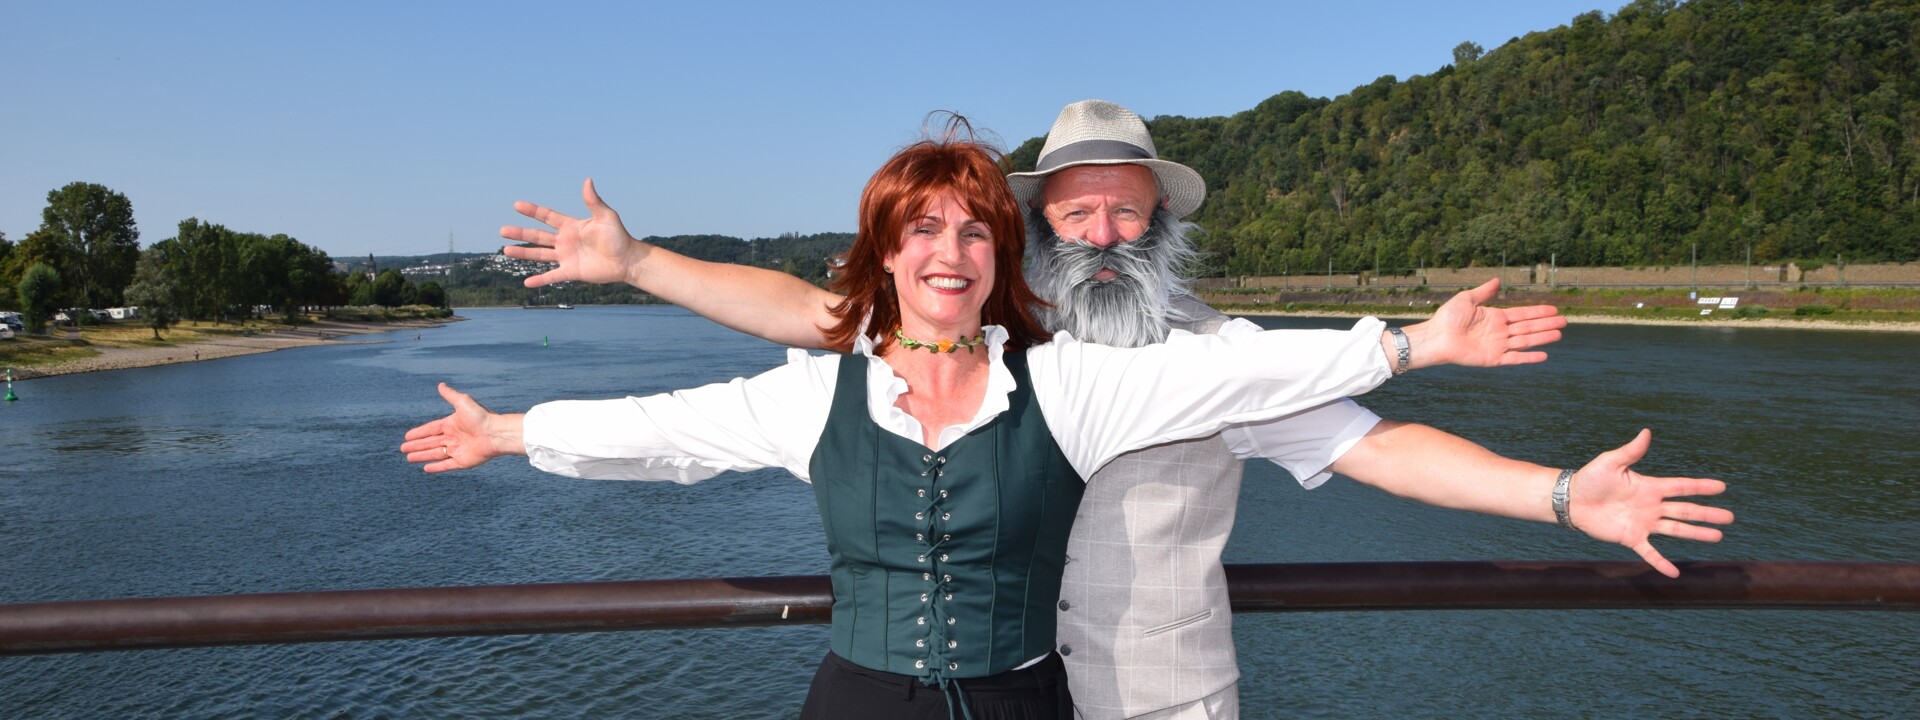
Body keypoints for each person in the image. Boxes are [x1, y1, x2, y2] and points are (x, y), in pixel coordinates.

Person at [493, 102, 1734, 719]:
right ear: (1031, 227)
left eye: (1126, 210)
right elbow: (793, 324)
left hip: (1158, 702)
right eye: (1074, 209)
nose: (1100, 231)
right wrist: (642, 264)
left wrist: (1559, 493)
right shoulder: (960, 334)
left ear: (1160, 226)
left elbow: (1376, 445)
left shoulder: (1221, 356)